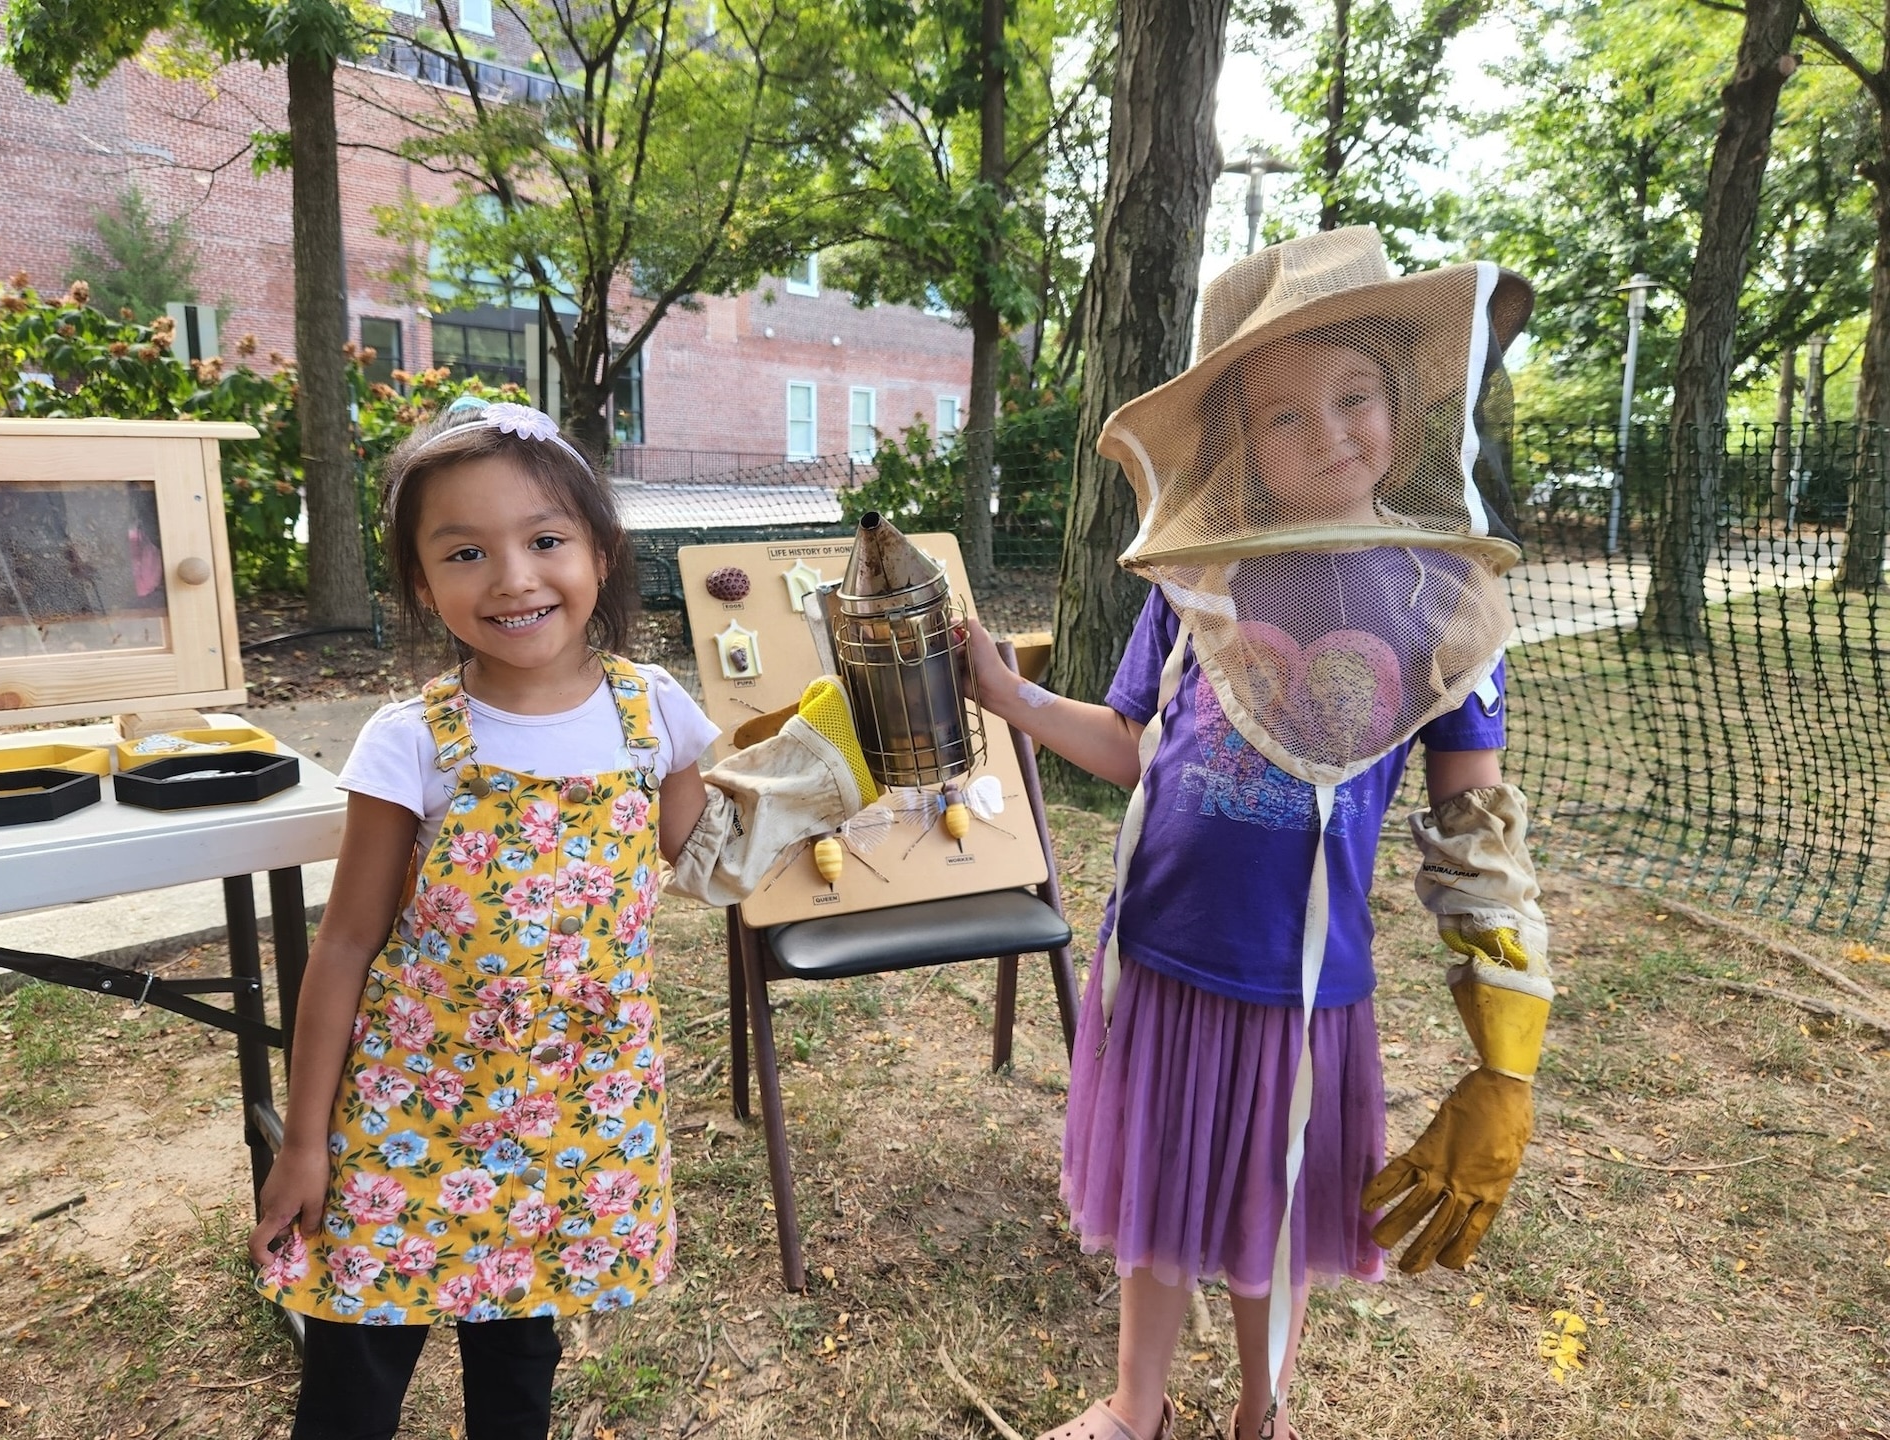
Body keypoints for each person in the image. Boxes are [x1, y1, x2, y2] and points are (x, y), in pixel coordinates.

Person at [962, 228, 1553, 1440]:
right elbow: (1134, 743)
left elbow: (1474, 830)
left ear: (1403, 404)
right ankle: (1135, 1410)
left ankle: (1262, 1414)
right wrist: (1013, 699)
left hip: (1302, 986)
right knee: (1158, 1198)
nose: (1329, 432)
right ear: (1239, 442)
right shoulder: (1199, 579)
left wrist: (1506, 1057)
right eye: (1285, 416)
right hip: (1166, 954)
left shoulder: (1444, 605)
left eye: (1354, 397)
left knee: (1271, 1216)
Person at [248, 397, 874, 1440]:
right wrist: (305, 1140)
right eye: (464, 552)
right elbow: (347, 945)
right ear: (418, 580)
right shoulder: (410, 741)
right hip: (408, 1113)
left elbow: (704, 859)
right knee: (355, 1368)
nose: (513, 578)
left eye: (545, 540)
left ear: (601, 552)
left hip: (568, 1112)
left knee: (518, 1358)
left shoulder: (654, 715)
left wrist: (829, 766)